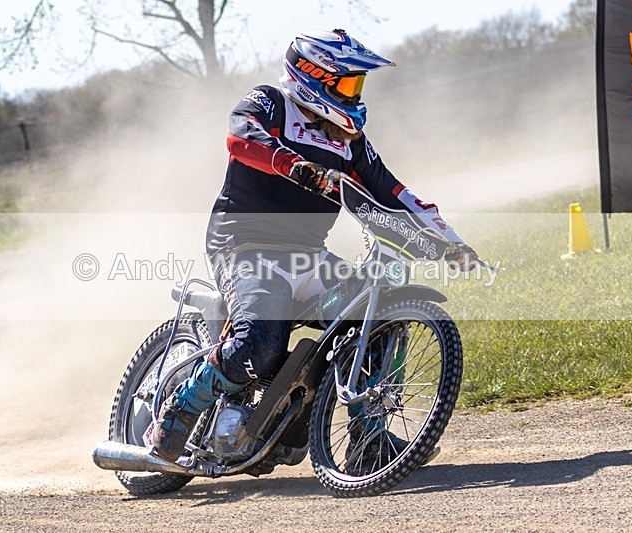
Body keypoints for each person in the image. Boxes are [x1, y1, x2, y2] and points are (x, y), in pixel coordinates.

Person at [151, 29, 477, 466]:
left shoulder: (349, 142)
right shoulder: (270, 102)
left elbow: (395, 193)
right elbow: (242, 139)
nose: (355, 94)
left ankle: (367, 438)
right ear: (312, 75)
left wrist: (450, 243)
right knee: (259, 345)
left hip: (309, 257)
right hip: (245, 246)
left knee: (375, 315)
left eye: (358, 85)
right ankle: (179, 411)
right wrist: (293, 165)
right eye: (347, 84)